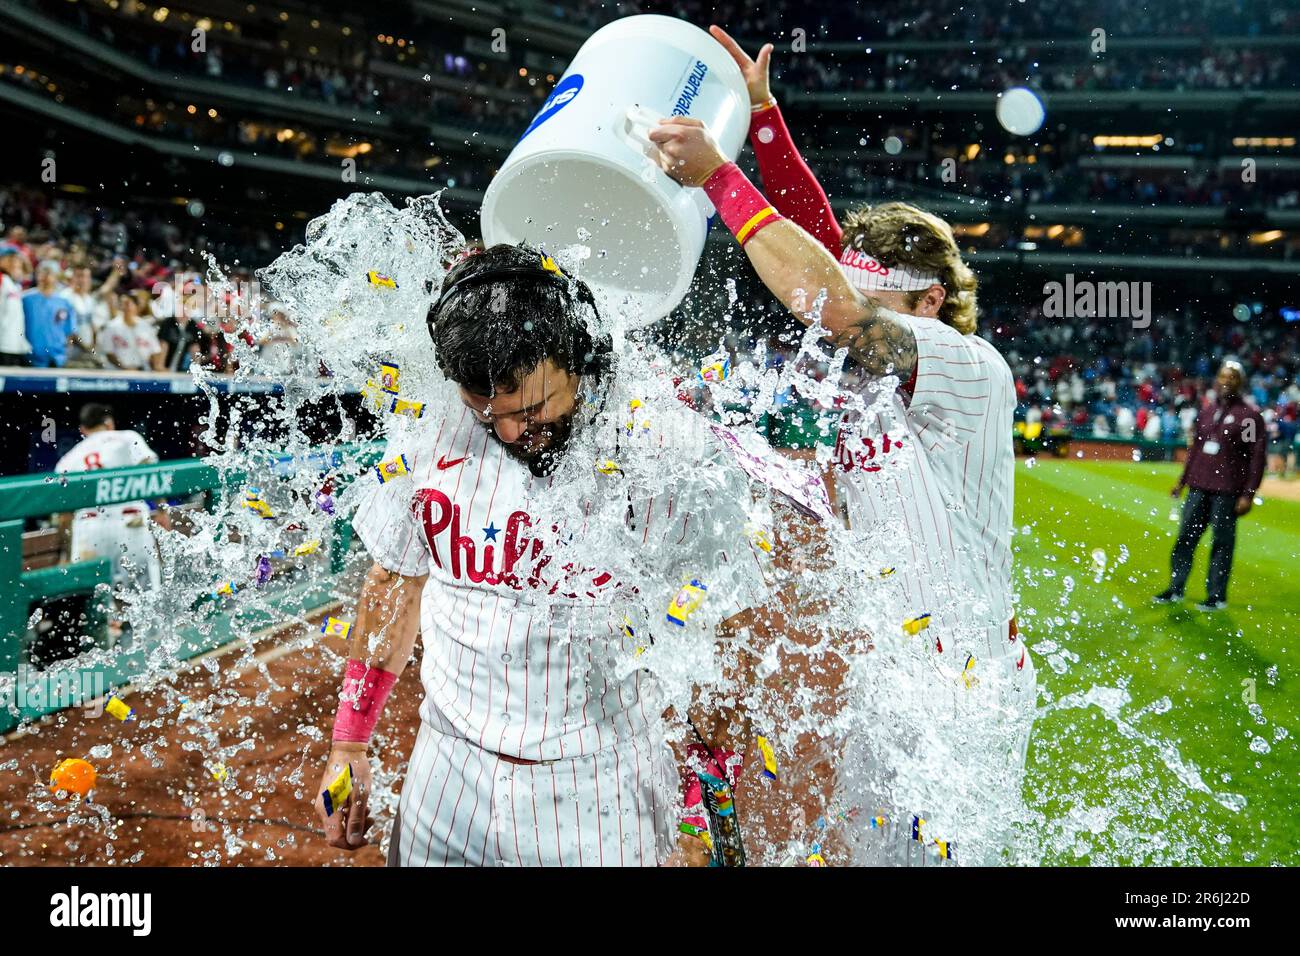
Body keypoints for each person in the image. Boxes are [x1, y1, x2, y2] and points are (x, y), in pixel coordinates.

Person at [647, 25, 1034, 865]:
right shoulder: (885, 363)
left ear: (929, 302)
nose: (837, 302)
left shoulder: (969, 367)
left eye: (869, 292)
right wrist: (764, 119)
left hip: (963, 689)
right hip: (897, 675)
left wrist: (721, 176)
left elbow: (831, 302)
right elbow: (818, 244)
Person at [314, 243, 768, 867]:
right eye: (486, 413)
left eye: (527, 409)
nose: (506, 432)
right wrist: (349, 745)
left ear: (576, 354)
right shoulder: (429, 426)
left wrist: (706, 804)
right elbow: (397, 582)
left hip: (599, 788)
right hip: (445, 776)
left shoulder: (670, 451)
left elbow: (723, 642)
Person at [1156, 360, 1266, 611]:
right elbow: (1195, 449)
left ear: (1241, 382)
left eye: (1232, 377)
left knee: (1222, 543)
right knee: (1185, 538)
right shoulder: (1206, 412)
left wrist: (1248, 494)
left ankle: (1216, 595)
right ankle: (1176, 587)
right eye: (1223, 376)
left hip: (1227, 490)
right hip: (1198, 486)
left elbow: (1255, 457)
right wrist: (1181, 481)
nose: (1226, 381)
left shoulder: (1248, 418)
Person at [54, 403, 166, 594]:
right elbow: (149, 472)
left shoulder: (69, 458)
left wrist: (64, 552)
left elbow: (65, 514)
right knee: (146, 598)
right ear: (109, 423)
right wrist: (162, 510)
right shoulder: (127, 437)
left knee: (92, 599)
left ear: (83, 429)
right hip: (131, 524)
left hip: (89, 531)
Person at [21, 260, 76, 368]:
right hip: (31, 356)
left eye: (49, 272)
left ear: (56, 276)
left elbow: (70, 331)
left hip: (57, 357)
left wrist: (65, 352)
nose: (44, 276)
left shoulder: (64, 302)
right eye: (41, 272)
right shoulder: (26, 299)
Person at [103, 293, 164, 371]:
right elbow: (109, 353)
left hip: (142, 371)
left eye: (129, 304)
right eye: (123, 304)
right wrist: (124, 368)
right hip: (117, 373)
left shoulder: (145, 326)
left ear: (136, 307)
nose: (126, 307)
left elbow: (155, 350)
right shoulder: (111, 326)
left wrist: (156, 367)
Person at [0, 242, 31, 366]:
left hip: (15, 344)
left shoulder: (15, 284)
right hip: (3, 344)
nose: (14, 263)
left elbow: (28, 270)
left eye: (16, 260)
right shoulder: (1, 279)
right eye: (10, 259)